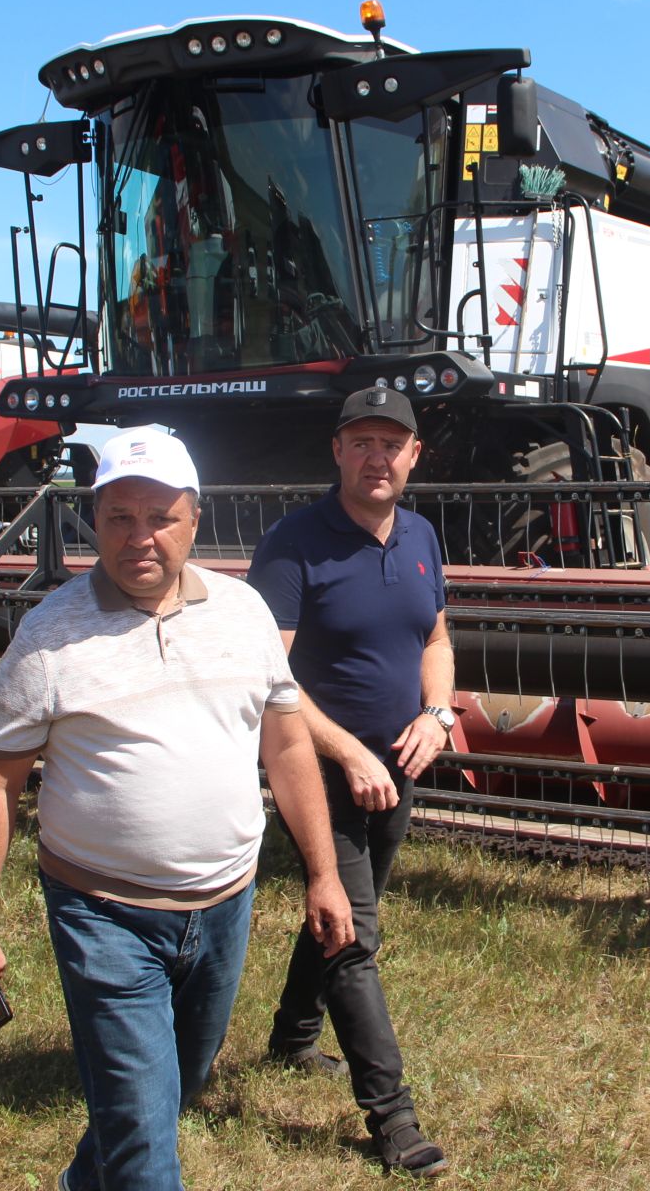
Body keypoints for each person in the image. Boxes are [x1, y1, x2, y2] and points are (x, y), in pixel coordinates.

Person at [0, 426, 355, 1191]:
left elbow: (289, 748)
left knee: (165, 1097)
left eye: (159, 517)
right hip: (103, 913)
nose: (139, 538)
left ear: (195, 518)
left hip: (225, 908)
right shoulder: (50, 635)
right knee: (146, 1148)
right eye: (118, 518)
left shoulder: (244, 613)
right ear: (93, 522)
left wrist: (323, 875)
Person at [246, 387, 454, 1177]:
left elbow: (436, 636)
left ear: (412, 456)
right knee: (355, 934)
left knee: (336, 914)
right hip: (318, 770)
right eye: (361, 441)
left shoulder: (423, 535)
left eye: (391, 443)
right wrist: (347, 752)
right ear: (337, 451)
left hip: (399, 770)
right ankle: (392, 1119)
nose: (377, 457)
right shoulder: (296, 543)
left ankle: (292, 1040)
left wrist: (436, 714)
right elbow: (269, 676)